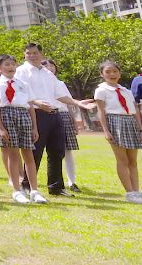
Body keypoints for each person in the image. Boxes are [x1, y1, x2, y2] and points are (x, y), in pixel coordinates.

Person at [15, 43, 93, 196]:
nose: (31, 55)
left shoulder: (47, 73)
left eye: (35, 52)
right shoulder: (21, 72)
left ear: (41, 54)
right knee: (35, 152)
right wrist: (37, 102)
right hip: (36, 114)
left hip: (54, 114)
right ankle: (27, 186)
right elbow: (20, 93)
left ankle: (56, 187)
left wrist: (77, 102)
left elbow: (59, 94)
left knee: (57, 151)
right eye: (28, 53)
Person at [0, 54, 45, 205]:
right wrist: (1, 127)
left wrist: (35, 127)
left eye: (13, 64)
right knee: (13, 154)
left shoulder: (23, 84)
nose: (11, 67)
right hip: (6, 115)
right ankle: (17, 190)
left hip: (23, 115)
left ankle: (34, 191)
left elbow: (30, 105)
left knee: (28, 155)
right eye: (7, 64)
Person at [93, 60, 142, 203]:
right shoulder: (101, 90)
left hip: (130, 123)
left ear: (119, 73)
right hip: (115, 123)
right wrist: (106, 131)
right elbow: (101, 111)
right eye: (108, 71)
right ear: (102, 74)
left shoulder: (126, 91)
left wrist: (140, 128)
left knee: (132, 160)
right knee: (122, 159)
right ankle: (129, 192)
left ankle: (136, 191)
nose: (112, 74)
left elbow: (135, 112)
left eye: (115, 71)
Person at [44, 59, 84, 192]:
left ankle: (72, 181)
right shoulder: (39, 82)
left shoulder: (60, 83)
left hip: (63, 115)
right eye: (46, 65)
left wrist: (74, 121)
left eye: (52, 65)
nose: (49, 68)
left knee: (67, 151)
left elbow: (68, 102)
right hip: (45, 114)